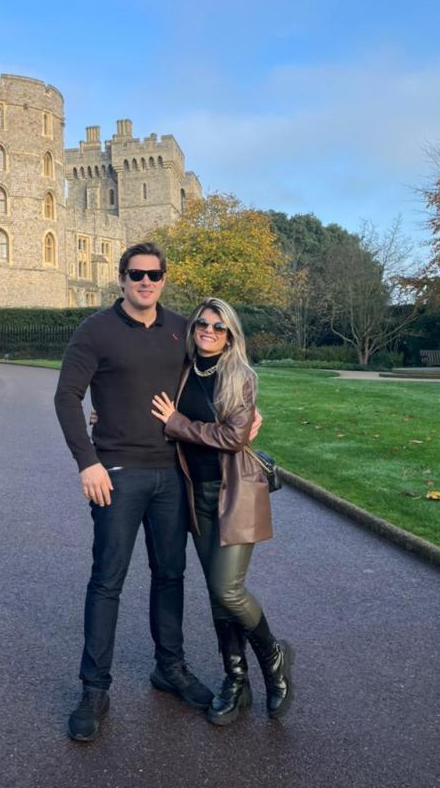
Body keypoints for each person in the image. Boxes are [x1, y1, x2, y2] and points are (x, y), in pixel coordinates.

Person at [54, 243, 214, 742]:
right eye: (136, 274)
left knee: (170, 574)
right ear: (121, 278)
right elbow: (67, 397)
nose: (146, 281)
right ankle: (94, 689)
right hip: (117, 473)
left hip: (171, 472)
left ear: (164, 278)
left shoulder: (182, 329)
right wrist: (88, 462)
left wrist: (245, 412)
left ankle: (170, 668)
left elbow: (218, 369)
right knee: (107, 580)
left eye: (154, 274)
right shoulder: (96, 330)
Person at [151, 298, 294, 725]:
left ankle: (273, 655)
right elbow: (144, 394)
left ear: (230, 335)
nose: (209, 331)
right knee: (217, 594)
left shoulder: (241, 376)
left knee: (228, 588)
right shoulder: (183, 370)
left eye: (219, 326)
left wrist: (178, 424)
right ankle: (236, 680)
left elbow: (233, 438)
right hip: (196, 495)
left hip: (235, 494)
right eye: (202, 323)